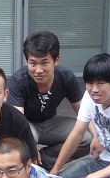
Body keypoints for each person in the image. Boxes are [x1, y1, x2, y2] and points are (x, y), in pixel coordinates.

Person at [8, 31, 89, 170]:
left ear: (56, 60)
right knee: (21, 140)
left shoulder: (66, 77)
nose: (38, 70)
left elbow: (84, 112)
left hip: (51, 122)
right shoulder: (19, 80)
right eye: (33, 63)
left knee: (87, 138)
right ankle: (30, 161)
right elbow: (17, 120)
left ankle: (42, 162)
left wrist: (98, 138)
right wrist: (30, 147)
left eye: (44, 63)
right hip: (28, 123)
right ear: (27, 61)